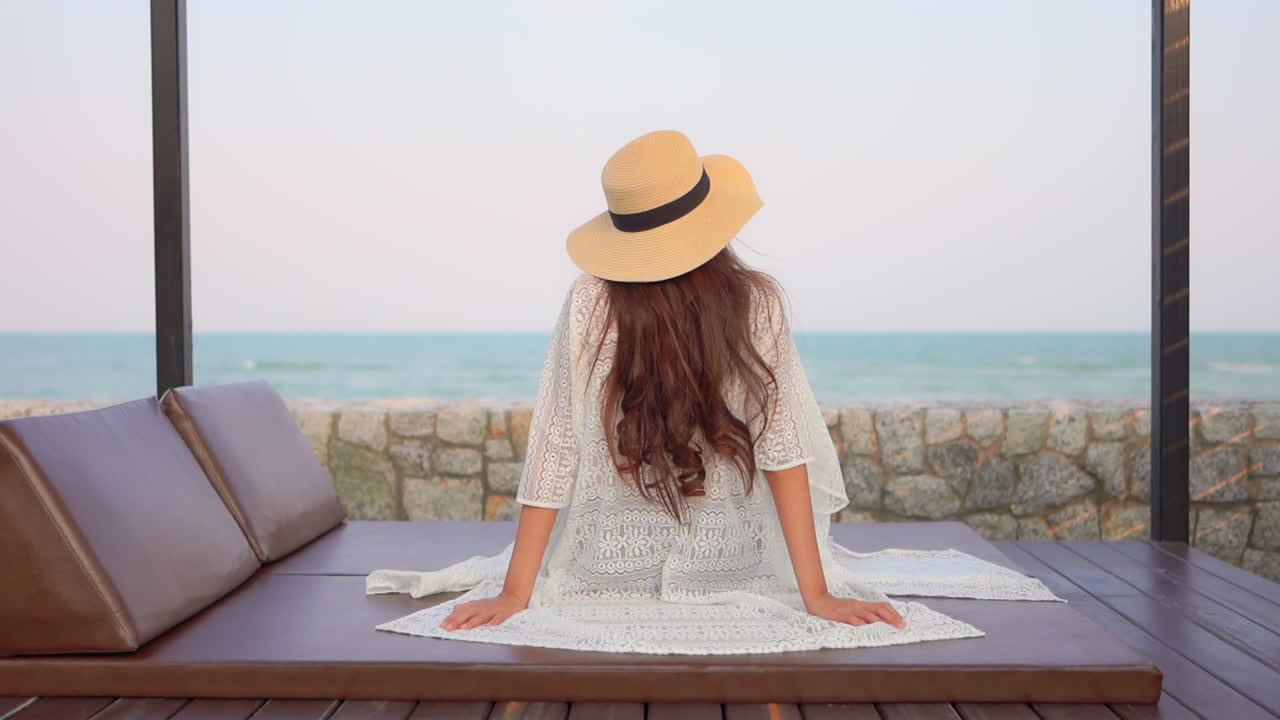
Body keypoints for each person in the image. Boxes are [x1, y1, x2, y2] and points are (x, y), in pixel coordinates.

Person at [365, 130, 1064, 655]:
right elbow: (785, 446)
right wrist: (813, 590)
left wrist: (518, 590)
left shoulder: (591, 301)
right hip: (734, 561)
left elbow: (555, 444)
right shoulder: (754, 301)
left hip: (605, 566)